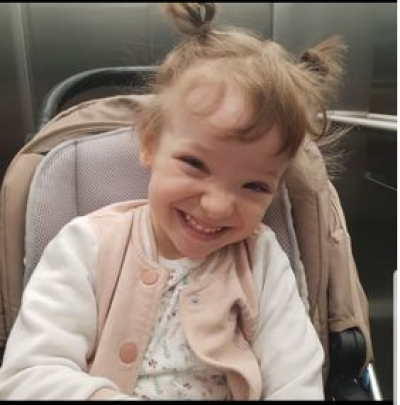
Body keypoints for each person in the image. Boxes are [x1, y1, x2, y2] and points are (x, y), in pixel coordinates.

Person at [0, 2, 346, 400]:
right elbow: (29, 375)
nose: (217, 207)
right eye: (195, 164)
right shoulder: (86, 245)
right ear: (149, 145)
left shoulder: (262, 260)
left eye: (254, 186)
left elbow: (295, 381)